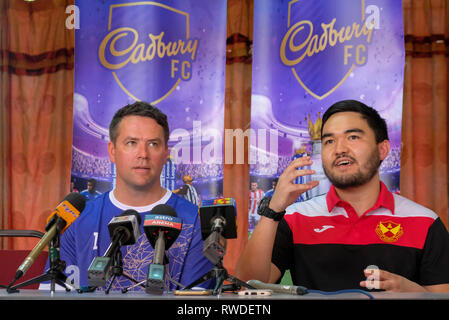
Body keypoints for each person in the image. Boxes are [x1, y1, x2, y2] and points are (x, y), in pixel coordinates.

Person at [235, 99, 449, 292]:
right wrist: (272, 211)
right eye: (329, 141)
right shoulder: (295, 218)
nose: (339, 149)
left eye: (353, 137)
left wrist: (414, 292)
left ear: (383, 149)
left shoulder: (425, 222)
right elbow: (247, 287)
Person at [41, 101, 214, 292]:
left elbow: (195, 303)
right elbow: (53, 292)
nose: (143, 154)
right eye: (131, 143)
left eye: (153, 144)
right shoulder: (78, 218)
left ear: (166, 153)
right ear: (112, 151)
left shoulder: (195, 220)